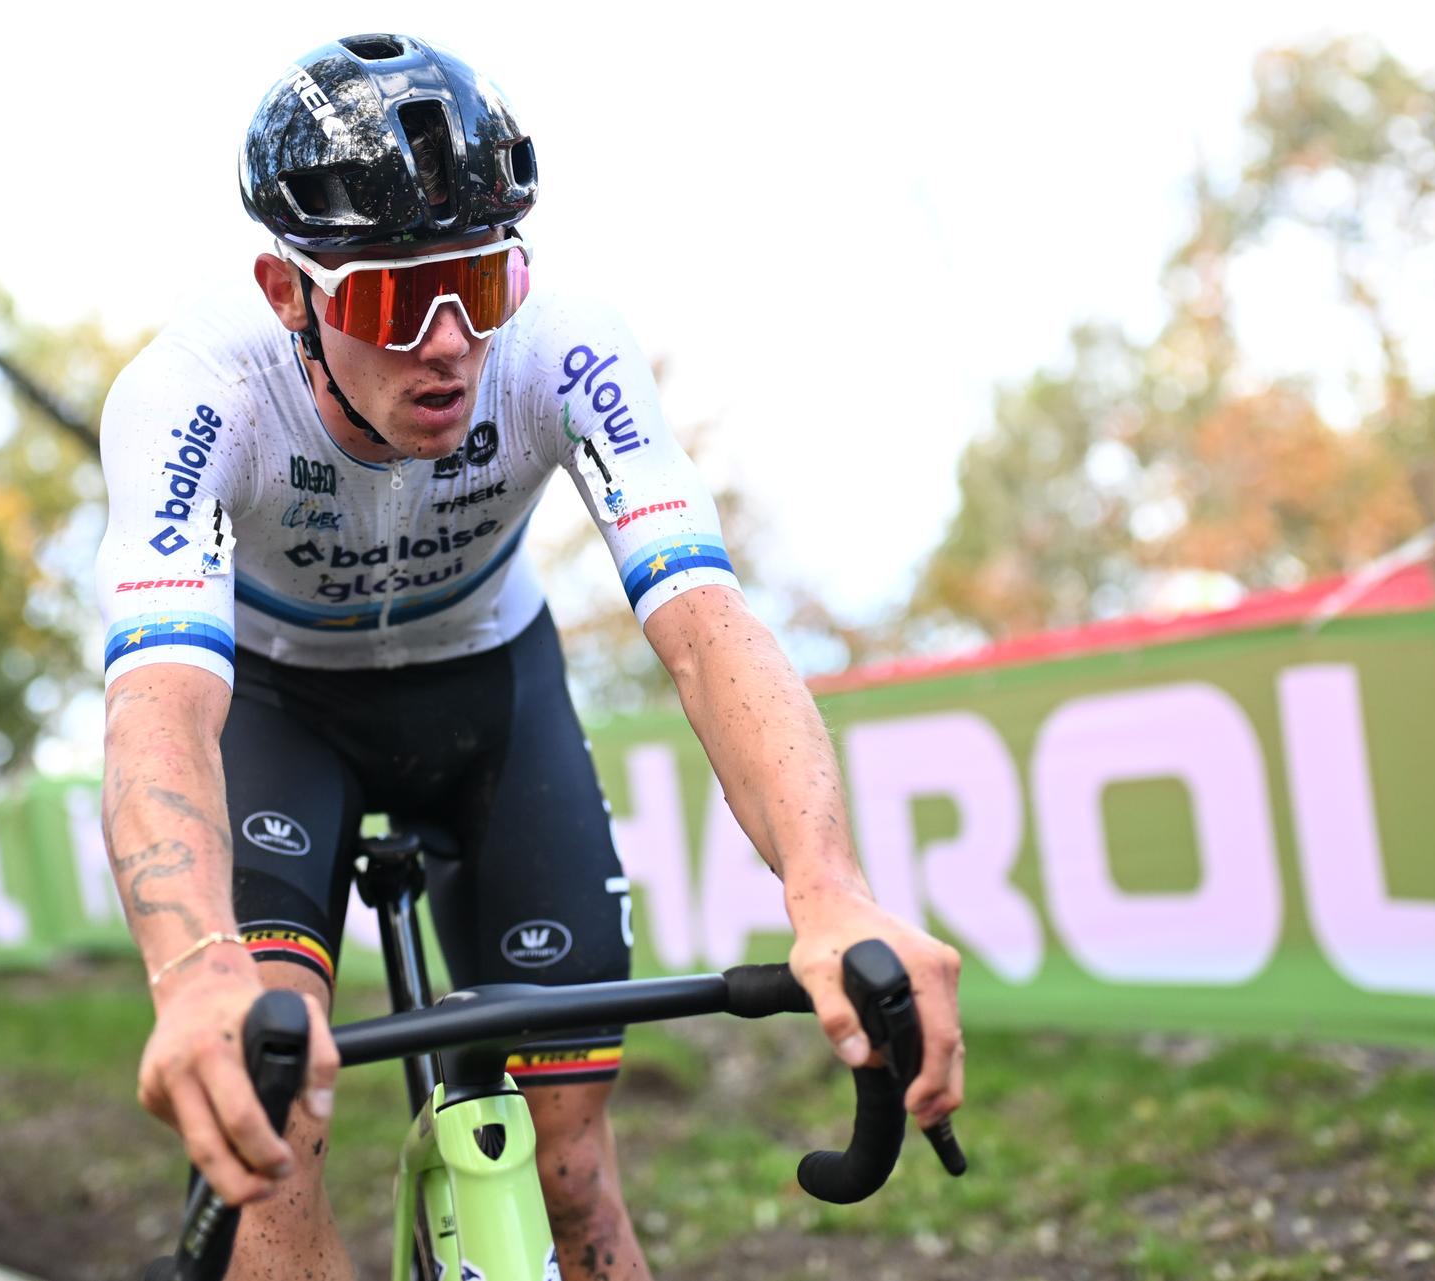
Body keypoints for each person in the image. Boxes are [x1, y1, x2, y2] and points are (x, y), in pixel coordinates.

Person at [96, 33, 963, 1281]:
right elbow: (163, 706)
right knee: (271, 1141)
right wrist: (194, 970)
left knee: (571, 1171)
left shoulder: (565, 342)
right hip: (281, 713)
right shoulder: (197, 390)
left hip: (489, 696)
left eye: (483, 284)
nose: (451, 342)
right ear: (290, 295)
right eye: (398, 300)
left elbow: (708, 629)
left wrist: (828, 889)